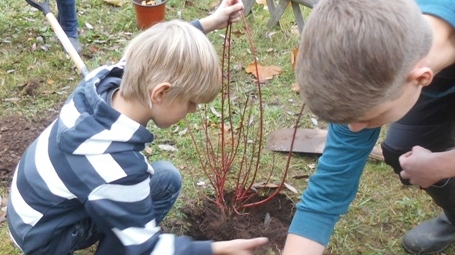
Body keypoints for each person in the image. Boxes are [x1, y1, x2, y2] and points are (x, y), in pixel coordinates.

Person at [7, 1, 269, 254]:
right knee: (144, 197)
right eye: (190, 102)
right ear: (161, 93)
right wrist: (212, 249)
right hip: (45, 238)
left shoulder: (109, 77)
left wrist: (210, 22)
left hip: (35, 208)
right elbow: (146, 246)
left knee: (165, 179)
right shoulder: (115, 166)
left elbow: (160, 53)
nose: (193, 110)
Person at [282, 0, 455, 254]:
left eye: (367, 118)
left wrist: (442, 164)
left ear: (420, 79)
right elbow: (326, 196)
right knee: (403, 152)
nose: (354, 129)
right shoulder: (373, 49)